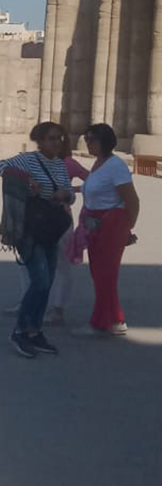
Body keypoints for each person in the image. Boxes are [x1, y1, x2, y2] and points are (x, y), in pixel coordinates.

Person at [0, 122, 74, 358]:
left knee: (47, 282)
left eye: (59, 138)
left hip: (50, 228)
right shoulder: (27, 160)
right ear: (40, 141)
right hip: (29, 228)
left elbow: (70, 195)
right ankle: (20, 331)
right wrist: (27, 180)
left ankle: (35, 331)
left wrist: (65, 195)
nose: (56, 142)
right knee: (39, 280)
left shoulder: (60, 164)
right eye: (51, 138)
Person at [77, 123, 140, 336]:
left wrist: (126, 227)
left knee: (105, 274)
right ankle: (115, 319)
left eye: (91, 139)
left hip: (112, 224)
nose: (87, 143)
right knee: (99, 273)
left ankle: (100, 322)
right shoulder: (98, 163)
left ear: (104, 141)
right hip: (96, 224)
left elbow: (132, 200)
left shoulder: (116, 166)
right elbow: (94, 188)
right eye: (86, 139)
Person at [43, 134, 89, 325]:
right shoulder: (45, 162)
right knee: (49, 264)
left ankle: (57, 309)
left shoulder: (66, 163)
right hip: (46, 218)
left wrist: (73, 190)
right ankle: (49, 306)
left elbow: (93, 181)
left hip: (58, 218)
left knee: (60, 265)